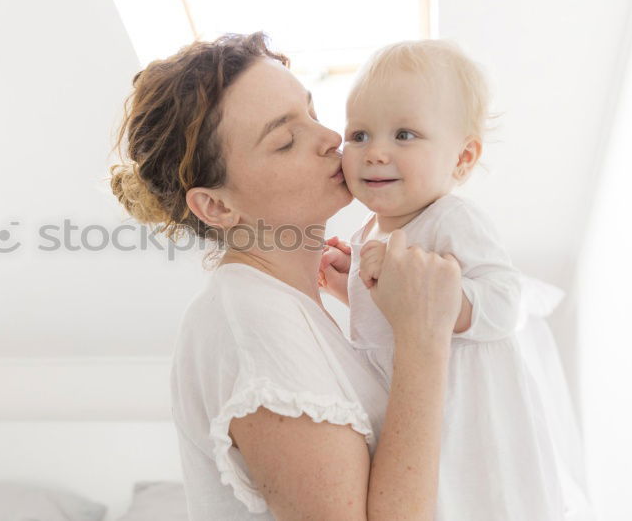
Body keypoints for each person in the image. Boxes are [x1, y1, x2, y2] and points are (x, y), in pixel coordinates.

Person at [109, 32, 463, 520]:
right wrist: (424, 342)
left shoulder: (286, 305)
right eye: (286, 141)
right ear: (216, 205)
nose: (332, 139)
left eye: (313, 114)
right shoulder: (254, 326)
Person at [333, 39, 593, 520]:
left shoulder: (451, 219)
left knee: (476, 500)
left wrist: (448, 302)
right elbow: (394, 316)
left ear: (462, 159)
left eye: (404, 135)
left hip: (466, 409)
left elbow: (505, 300)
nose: (375, 153)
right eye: (360, 134)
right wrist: (349, 286)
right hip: (407, 405)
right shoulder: (366, 230)